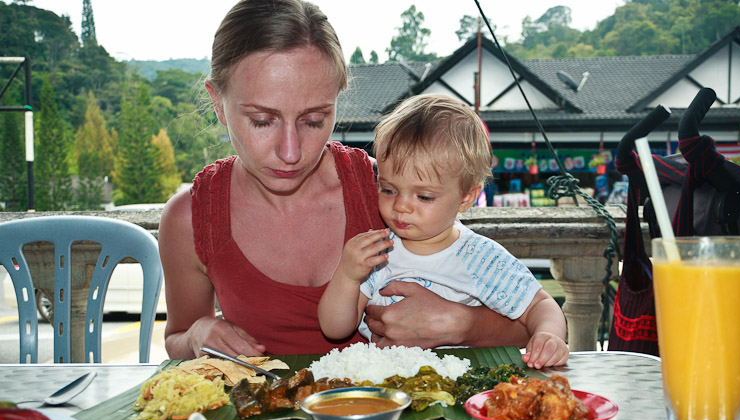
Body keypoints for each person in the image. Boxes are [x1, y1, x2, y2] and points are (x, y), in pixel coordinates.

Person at [158, 0, 531, 360]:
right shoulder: (191, 218)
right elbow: (177, 337)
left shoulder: (388, 189)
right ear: (219, 104)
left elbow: (529, 328)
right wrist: (197, 334)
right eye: (262, 120)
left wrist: (463, 324)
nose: (291, 151)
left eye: (314, 120)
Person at [318, 94, 569, 368]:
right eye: (388, 190)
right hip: (389, 389)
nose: (401, 206)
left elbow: (539, 305)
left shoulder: (480, 257)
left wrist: (549, 335)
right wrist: (347, 275)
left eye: (424, 197)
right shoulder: (377, 252)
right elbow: (335, 329)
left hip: (463, 385)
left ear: (465, 198)